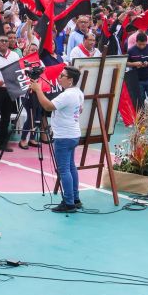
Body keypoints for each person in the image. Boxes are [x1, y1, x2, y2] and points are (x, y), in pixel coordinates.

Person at [34, 67, 83, 213]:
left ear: (70, 80)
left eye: (62, 76)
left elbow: (48, 106)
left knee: (63, 170)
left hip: (64, 135)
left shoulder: (67, 95)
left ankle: (68, 203)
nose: (59, 77)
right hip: (73, 133)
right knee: (70, 167)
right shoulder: (78, 93)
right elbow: (80, 110)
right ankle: (75, 198)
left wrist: (38, 90)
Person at [126, 32, 148, 112]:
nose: (142, 46)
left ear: (146, 42)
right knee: (140, 101)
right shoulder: (131, 51)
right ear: (136, 42)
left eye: (144, 44)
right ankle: (141, 120)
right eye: (140, 44)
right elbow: (126, 63)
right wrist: (134, 64)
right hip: (137, 80)